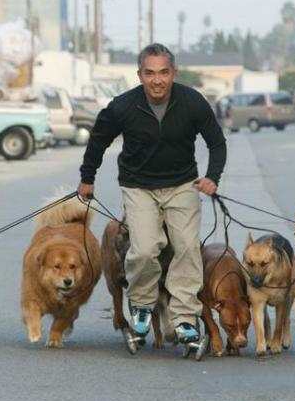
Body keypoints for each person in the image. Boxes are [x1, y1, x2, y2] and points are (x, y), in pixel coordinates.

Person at [77, 43, 227, 346]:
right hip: (138, 186)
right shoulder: (122, 106)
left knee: (186, 247)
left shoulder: (192, 102)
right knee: (145, 249)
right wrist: (86, 178)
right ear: (140, 75)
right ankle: (143, 305)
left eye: (163, 72)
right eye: (149, 73)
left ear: (173, 73)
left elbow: (217, 143)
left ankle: (184, 317)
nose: (157, 80)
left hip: (182, 184)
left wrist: (212, 177)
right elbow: (98, 141)